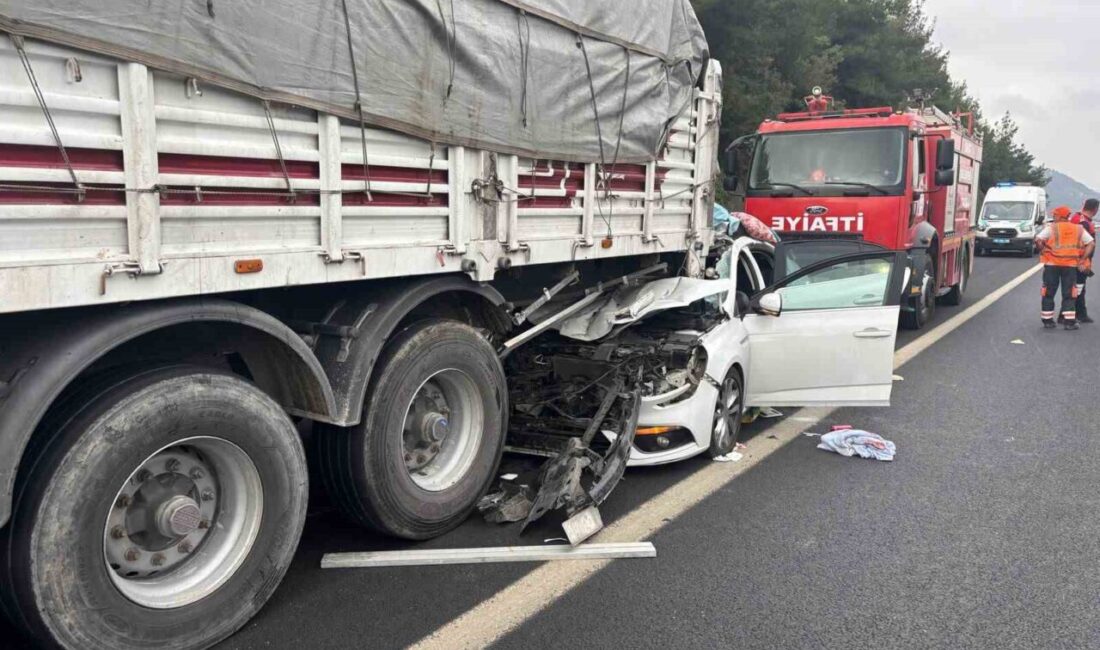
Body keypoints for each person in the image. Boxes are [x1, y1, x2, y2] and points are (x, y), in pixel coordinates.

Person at [1037, 205, 1095, 330]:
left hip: (1052, 265)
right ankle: (1069, 322)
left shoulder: (1051, 228)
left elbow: (1038, 240)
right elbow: (1091, 243)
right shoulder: (1078, 229)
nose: (1053, 216)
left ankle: (1047, 320)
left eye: (1055, 214)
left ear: (1059, 216)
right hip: (1070, 266)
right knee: (1069, 294)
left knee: (1048, 293)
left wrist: (1043, 250)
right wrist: (1083, 259)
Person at [1069, 198, 1098, 323]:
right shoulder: (1084, 223)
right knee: (1077, 289)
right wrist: (1082, 261)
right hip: (1080, 260)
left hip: (1076, 259)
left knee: (1079, 288)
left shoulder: (1076, 218)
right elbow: (1084, 244)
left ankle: (1081, 313)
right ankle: (1068, 315)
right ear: (1096, 209)